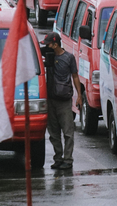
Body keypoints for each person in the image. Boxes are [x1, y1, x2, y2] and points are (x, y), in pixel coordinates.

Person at [41, 32, 82, 170]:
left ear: (55, 44)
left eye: (48, 44)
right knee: (53, 132)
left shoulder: (69, 58)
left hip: (64, 101)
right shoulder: (47, 56)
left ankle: (68, 159)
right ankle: (58, 158)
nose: (46, 46)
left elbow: (75, 76)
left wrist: (79, 96)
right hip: (50, 100)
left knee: (68, 132)